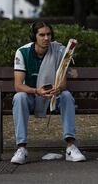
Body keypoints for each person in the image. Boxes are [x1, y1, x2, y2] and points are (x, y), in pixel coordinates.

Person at [11, 21, 85, 164]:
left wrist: (57, 88)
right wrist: (36, 91)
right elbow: (18, 86)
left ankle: (70, 147)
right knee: (19, 97)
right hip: (32, 97)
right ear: (34, 36)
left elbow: (63, 83)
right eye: (42, 35)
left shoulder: (59, 51)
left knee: (66, 95)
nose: (46, 38)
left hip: (53, 96)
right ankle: (21, 149)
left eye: (48, 34)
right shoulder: (22, 52)